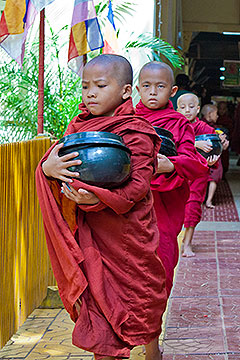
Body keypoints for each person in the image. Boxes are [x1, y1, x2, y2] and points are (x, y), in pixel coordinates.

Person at [36, 54, 167, 360]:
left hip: (126, 237)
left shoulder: (137, 131)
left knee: (141, 301)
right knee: (99, 313)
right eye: (85, 86)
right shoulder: (78, 125)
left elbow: (137, 187)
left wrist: (98, 199)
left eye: (100, 85)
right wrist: (47, 168)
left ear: (124, 91)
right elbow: (58, 161)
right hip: (91, 237)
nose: (90, 93)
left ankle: (153, 350)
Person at [135, 62, 209, 295]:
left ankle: (151, 324)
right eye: (146, 86)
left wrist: (171, 164)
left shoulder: (178, 123)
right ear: (137, 89)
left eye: (160, 86)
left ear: (172, 92)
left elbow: (194, 163)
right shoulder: (126, 119)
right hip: (131, 206)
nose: (153, 92)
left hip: (164, 206)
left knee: (161, 264)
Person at [177, 93, 220, 257]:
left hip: (198, 176)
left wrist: (212, 160)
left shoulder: (206, 129)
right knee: (176, 209)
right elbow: (172, 147)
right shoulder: (176, 126)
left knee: (193, 208)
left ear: (198, 108)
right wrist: (194, 143)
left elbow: (214, 151)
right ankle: (174, 240)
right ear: (177, 109)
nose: (187, 110)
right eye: (182, 107)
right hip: (179, 174)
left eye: (191, 107)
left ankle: (187, 243)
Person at [201, 104, 229, 208]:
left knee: (211, 177)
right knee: (212, 177)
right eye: (216, 113)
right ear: (209, 114)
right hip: (209, 156)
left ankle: (206, 200)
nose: (217, 116)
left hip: (210, 156)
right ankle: (208, 201)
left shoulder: (215, 127)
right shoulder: (203, 126)